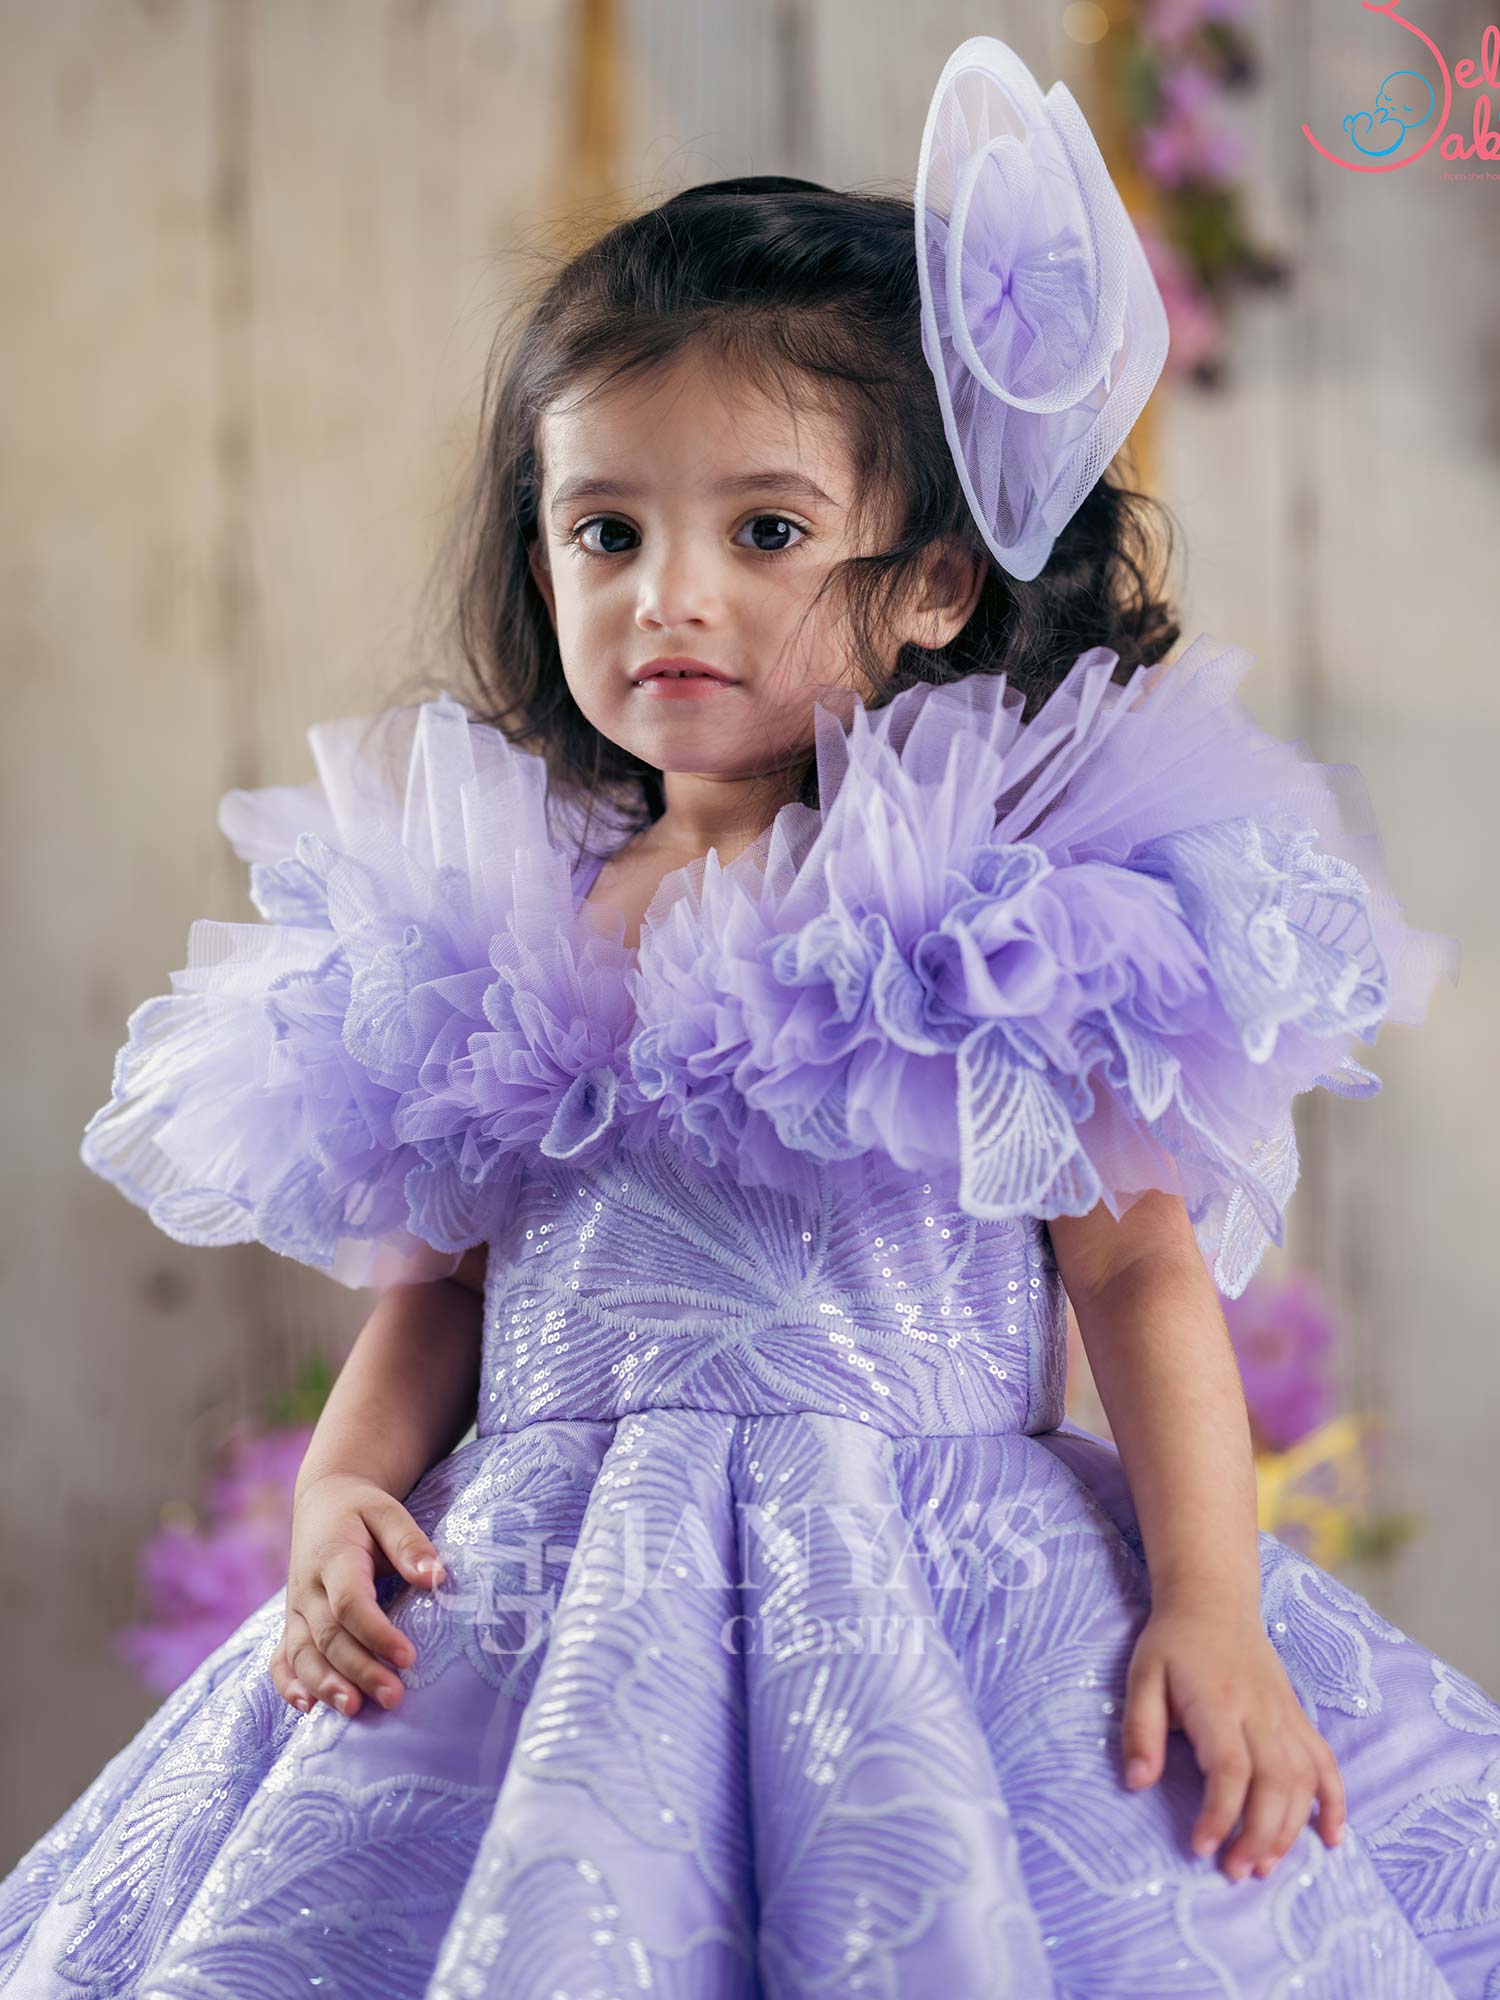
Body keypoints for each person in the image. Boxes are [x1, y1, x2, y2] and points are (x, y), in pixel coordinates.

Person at [3, 32, 1496, 2000]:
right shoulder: (500, 922)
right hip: (545, 1610)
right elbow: (438, 1289)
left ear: (938, 583)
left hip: (934, 1598)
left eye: (765, 532)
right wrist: (341, 1481)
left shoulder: (997, 921)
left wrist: (1207, 1606)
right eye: (605, 531)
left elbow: (1137, 1279)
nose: (666, 596)